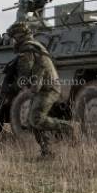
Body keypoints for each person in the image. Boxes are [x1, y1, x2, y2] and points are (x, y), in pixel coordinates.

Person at [6, 22, 73, 157]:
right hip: (43, 88)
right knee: (32, 122)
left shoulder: (27, 48)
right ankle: (46, 152)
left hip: (48, 88)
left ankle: (67, 128)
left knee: (35, 119)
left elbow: (24, 75)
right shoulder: (31, 46)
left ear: (18, 36)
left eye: (12, 37)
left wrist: (11, 87)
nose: (11, 42)